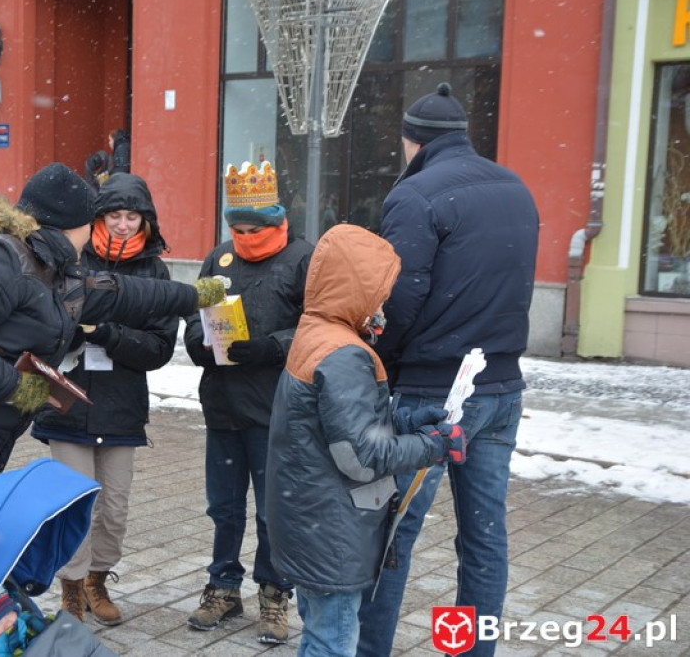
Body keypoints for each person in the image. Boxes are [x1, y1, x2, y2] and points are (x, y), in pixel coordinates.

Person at [0, 162, 224, 486]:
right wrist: (16, 386)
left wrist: (193, 296)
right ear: (72, 225)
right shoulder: (2, 255)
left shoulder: (54, 270)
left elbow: (125, 292)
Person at [356, 83, 540, 657]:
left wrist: (376, 364)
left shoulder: (415, 195)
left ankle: (369, 649)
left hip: (433, 394)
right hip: (502, 387)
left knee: (391, 536)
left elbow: (400, 301)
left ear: (413, 143)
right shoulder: (515, 188)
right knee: (485, 538)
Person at [265, 224, 466, 657]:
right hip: (331, 527)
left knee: (321, 631)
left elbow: (345, 421)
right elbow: (361, 455)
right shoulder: (344, 354)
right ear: (355, 290)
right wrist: (433, 445)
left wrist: (412, 420)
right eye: (378, 295)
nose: (382, 306)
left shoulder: (316, 331)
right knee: (334, 640)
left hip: (309, 516)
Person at [30, 172, 177, 625]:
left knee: (114, 507)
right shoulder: (74, 257)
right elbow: (44, 321)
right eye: (114, 214)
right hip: (69, 403)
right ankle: (71, 588)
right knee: (75, 502)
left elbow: (159, 347)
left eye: (132, 216)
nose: (123, 224)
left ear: (145, 220)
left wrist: (110, 334)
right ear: (99, 216)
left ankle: (97, 579)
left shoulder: (155, 271)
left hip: (121, 406)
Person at [183, 160, 312, 644]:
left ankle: (275, 592)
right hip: (223, 404)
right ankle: (223, 586)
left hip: (276, 408)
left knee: (272, 509)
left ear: (276, 221)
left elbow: (317, 324)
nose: (243, 236)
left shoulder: (302, 259)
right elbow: (194, 314)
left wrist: (273, 346)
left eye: (252, 228)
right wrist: (199, 341)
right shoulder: (218, 260)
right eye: (235, 228)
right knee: (225, 507)